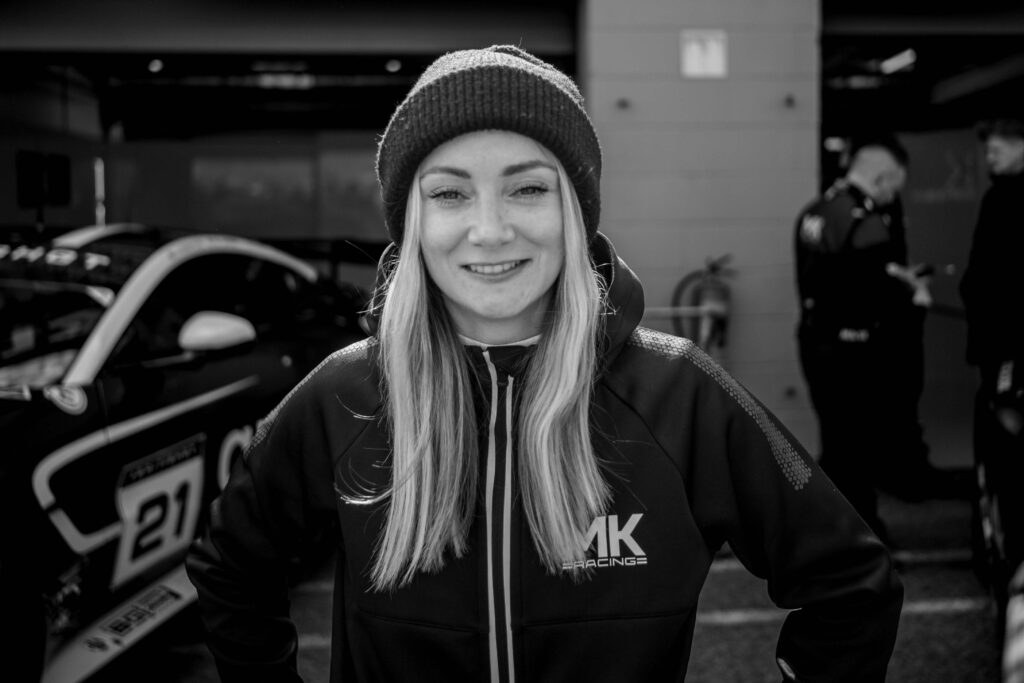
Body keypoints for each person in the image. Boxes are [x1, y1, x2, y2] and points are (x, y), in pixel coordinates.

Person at [187, 45, 902, 682]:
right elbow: (230, 569)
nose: (490, 228)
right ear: (412, 220)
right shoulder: (345, 393)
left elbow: (852, 583)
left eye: (529, 187)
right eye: (449, 192)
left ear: (575, 211)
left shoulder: (680, 390)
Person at [794, 134, 963, 541]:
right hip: (853, 352)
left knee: (838, 444)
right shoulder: (863, 220)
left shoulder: (816, 212)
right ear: (884, 177)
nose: (892, 197)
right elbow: (873, 288)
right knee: (854, 451)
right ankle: (862, 539)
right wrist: (911, 292)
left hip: (818, 342)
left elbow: (841, 275)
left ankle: (836, 534)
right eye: (894, 187)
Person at [959, 117, 1024, 578]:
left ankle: (1009, 552)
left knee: (1007, 449)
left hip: (1011, 356)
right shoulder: (999, 196)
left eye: (1000, 146)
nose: (991, 155)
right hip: (999, 352)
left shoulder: (1010, 199)